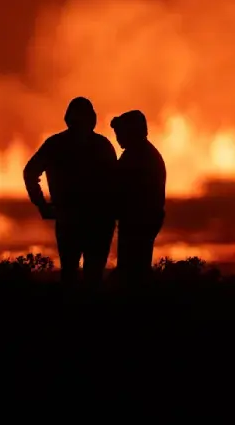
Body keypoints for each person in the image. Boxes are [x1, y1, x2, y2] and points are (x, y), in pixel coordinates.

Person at [23, 97, 117, 289]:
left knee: (70, 276)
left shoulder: (56, 144)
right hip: (97, 221)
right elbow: (116, 183)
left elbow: (30, 172)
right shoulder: (102, 145)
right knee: (93, 277)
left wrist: (42, 205)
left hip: (72, 219)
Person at [110, 110, 167, 287]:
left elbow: (122, 187)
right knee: (136, 270)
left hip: (137, 222)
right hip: (142, 221)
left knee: (132, 273)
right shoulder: (142, 153)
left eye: (120, 132)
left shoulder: (138, 156)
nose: (118, 137)